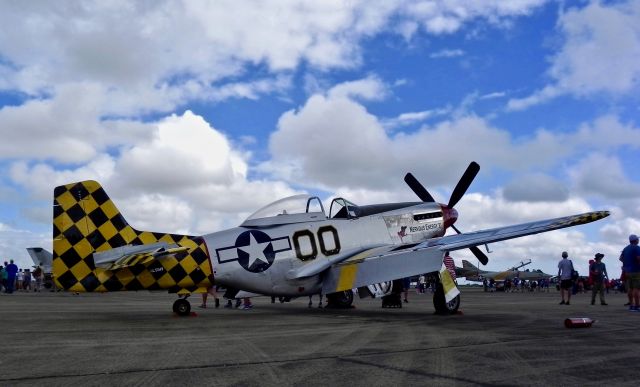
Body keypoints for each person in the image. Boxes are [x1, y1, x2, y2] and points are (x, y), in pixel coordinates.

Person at [620, 234, 640, 311]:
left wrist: (627, 264)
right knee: (637, 288)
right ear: (635, 240)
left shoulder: (625, 248)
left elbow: (621, 258)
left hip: (627, 271)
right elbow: (639, 258)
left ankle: (631, 305)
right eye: (638, 239)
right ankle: (637, 306)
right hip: (636, 271)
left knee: (630, 288)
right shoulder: (637, 248)